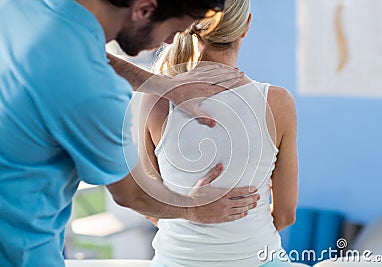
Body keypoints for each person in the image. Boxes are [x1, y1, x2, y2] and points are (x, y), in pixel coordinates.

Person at [0, 0, 261, 266]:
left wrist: (163, 85)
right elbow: (132, 194)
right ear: (144, 9)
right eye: (174, 30)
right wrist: (193, 207)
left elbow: (71, 50)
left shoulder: (25, 6)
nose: (172, 42)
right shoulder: (96, 92)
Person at [138, 0, 299, 266]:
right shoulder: (277, 103)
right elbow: (285, 216)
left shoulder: (154, 100)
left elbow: (146, 202)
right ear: (245, 27)